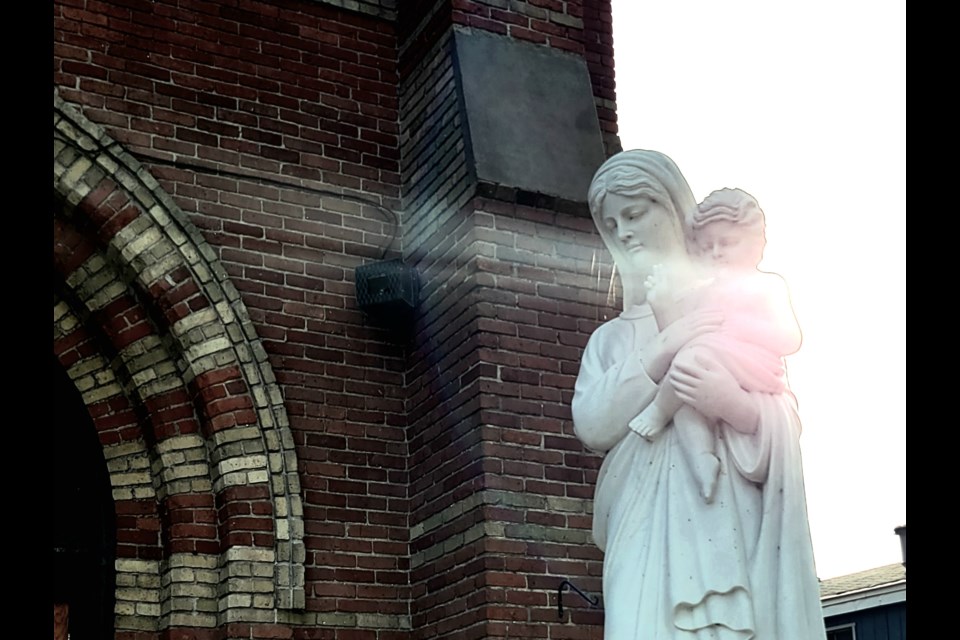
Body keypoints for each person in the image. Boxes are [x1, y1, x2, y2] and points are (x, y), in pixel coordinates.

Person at [572, 149, 825, 639]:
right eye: (611, 222)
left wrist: (730, 403)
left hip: (728, 510)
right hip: (643, 520)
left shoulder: (736, 310)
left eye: (634, 213)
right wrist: (667, 340)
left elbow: (779, 410)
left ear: (671, 208)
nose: (623, 231)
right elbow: (594, 424)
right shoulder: (611, 339)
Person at [628, 188, 801, 504]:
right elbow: (677, 339)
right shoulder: (702, 293)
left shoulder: (765, 285)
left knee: (693, 359)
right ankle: (702, 457)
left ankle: (657, 411)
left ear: (756, 244)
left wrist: (735, 327)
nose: (717, 252)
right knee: (685, 375)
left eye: (728, 243)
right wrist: (663, 306)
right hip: (703, 361)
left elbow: (790, 337)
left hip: (752, 366)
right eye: (708, 246)